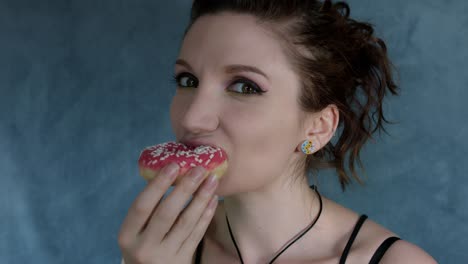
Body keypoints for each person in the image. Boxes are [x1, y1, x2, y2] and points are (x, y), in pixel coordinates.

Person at [118, 0, 438, 263]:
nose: (192, 119)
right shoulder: (154, 251)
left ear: (319, 126)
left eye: (244, 86)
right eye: (187, 81)